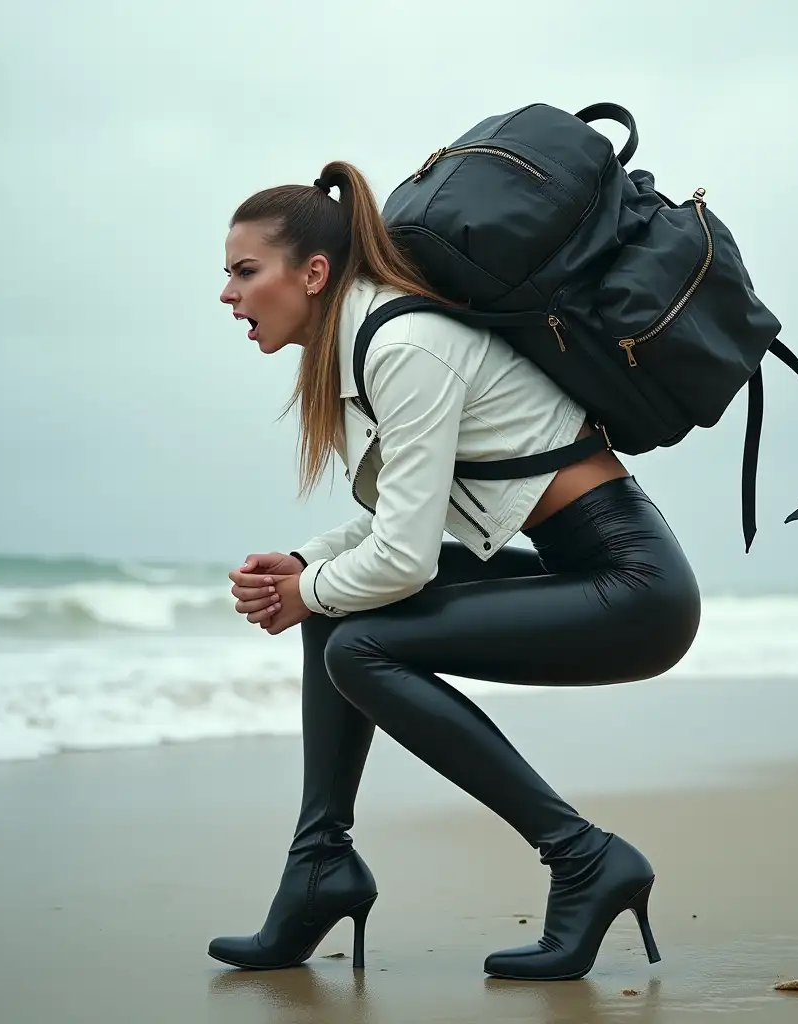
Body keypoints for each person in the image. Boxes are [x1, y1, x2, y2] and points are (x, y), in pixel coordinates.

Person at [208, 160, 701, 982]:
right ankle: (319, 866)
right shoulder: (371, 345)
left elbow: (402, 560)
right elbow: (404, 514)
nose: (228, 294)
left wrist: (304, 590)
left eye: (244, 271)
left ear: (315, 273)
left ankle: (582, 856)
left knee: (356, 645)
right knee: (338, 619)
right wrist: (308, 567)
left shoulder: (404, 344)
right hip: (585, 568)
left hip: (634, 590)